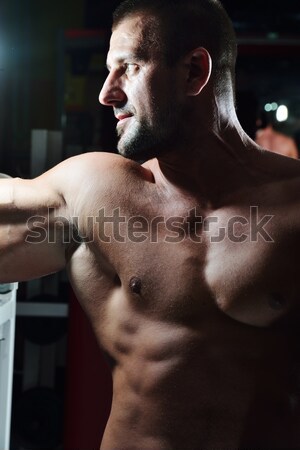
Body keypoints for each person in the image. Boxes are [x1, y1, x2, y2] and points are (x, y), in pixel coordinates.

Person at [1, 0, 300, 448]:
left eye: (128, 67)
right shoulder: (94, 192)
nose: (106, 92)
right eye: (107, 70)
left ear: (195, 71)